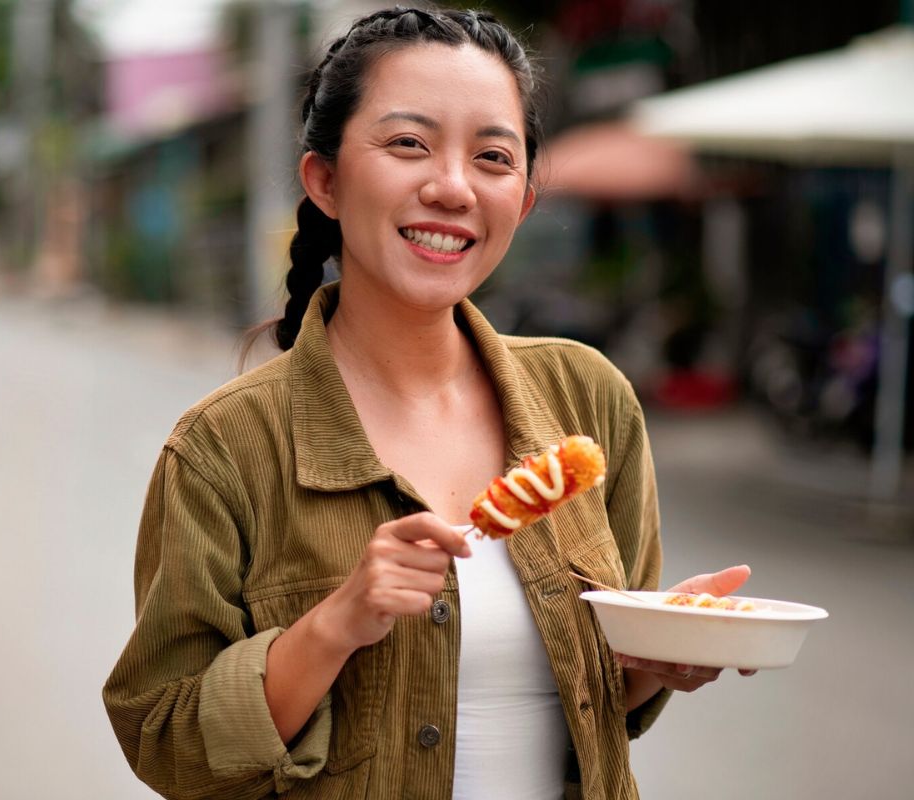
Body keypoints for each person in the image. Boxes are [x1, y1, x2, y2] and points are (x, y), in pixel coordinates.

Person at [103, 6, 752, 798]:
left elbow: (600, 706)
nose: (451, 187)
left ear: (524, 196)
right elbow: (166, 740)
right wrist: (331, 627)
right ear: (326, 181)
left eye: (492, 156)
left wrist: (661, 658)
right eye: (408, 143)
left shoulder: (590, 399)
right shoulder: (224, 449)